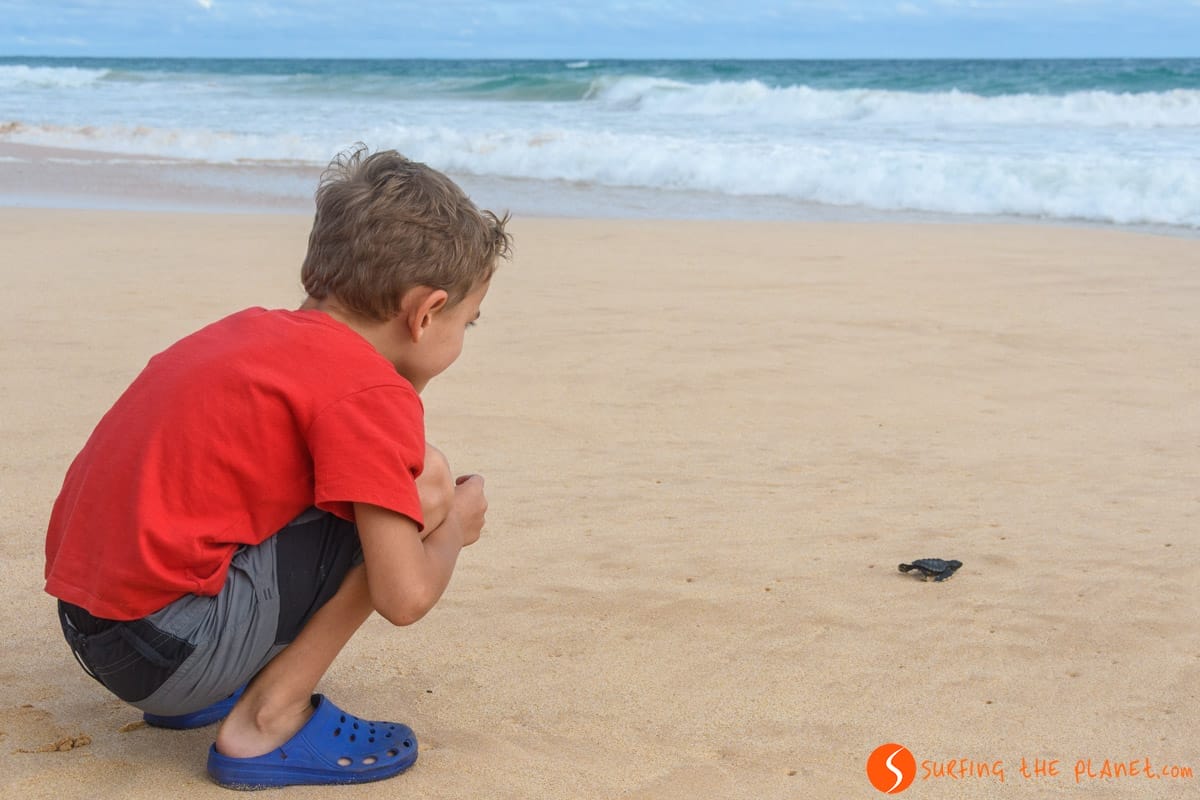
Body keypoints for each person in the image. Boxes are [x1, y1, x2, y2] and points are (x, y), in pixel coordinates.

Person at [44, 145, 511, 789]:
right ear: (426, 312)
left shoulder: (254, 335)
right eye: (468, 320)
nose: (463, 334)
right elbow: (405, 599)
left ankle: (221, 683)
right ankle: (267, 719)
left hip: (94, 623)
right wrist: (454, 523)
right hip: (170, 652)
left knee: (380, 482)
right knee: (423, 488)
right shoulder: (365, 393)